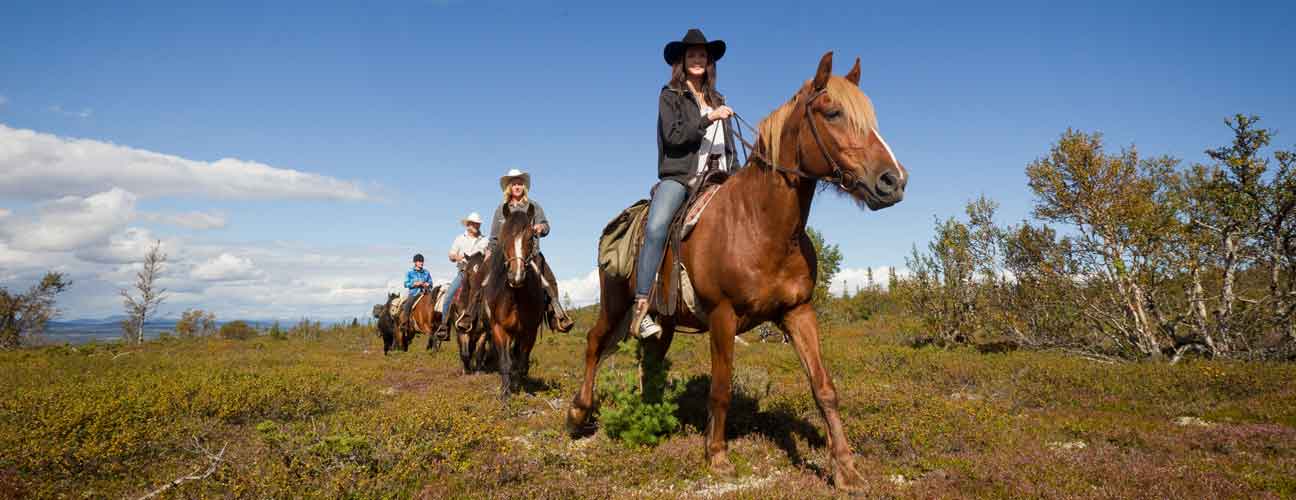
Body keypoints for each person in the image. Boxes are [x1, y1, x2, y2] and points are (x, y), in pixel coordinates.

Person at [632, 28, 739, 338]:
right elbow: (673, 136)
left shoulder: (719, 98)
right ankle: (642, 306)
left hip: (720, 177)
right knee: (656, 227)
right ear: (682, 60)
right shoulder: (670, 95)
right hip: (681, 177)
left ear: (709, 62)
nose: (697, 59)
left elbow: (728, 146)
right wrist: (708, 118)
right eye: (692, 54)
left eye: (702, 55)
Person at [487, 168, 574, 332]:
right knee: (483, 281)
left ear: (524, 186)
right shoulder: (501, 210)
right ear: (509, 187)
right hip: (505, 257)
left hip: (530, 255)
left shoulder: (533, 206)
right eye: (514, 184)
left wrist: (542, 227)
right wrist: (489, 253)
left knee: (549, 281)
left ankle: (556, 315)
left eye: (520, 183)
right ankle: (476, 315)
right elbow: (494, 237)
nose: (517, 187)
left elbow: (546, 226)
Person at [435, 212, 488, 338]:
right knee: (448, 295)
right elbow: (451, 255)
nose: (476, 226)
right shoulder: (460, 239)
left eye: (478, 224)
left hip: (479, 274)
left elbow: (488, 254)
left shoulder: (485, 240)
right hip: (463, 272)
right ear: (468, 225)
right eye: (474, 224)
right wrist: (457, 257)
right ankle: (444, 325)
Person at [402, 253, 433, 326]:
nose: (421, 263)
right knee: (408, 304)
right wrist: (414, 284)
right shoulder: (410, 272)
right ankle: (405, 322)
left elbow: (431, 282)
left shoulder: (426, 272)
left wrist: (428, 284)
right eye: (419, 261)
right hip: (414, 293)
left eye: (422, 261)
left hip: (426, 293)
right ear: (415, 262)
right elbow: (405, 284)